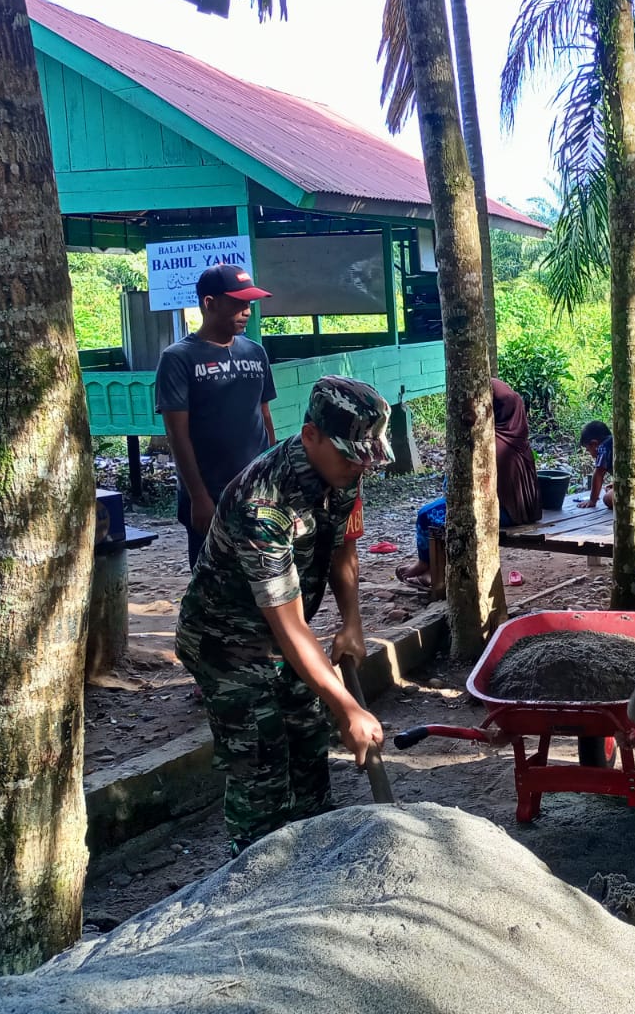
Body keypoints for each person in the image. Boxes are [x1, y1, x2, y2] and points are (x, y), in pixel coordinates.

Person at [176, 375, 390, 856]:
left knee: (307, 736)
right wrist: (349, 707)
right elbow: (288, 624)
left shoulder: (345, 471)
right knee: (262, 755)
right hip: (225, 642)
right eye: (350, 455)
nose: (359, 468)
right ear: (311, 435)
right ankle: (255, 872)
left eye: (365, 457)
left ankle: (312, 856)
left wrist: (352, 621)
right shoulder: (263, 504)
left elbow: (341, 546)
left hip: (282, 636)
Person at [157, 263, 279, 568]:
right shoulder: (178, 358)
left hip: (256, 492)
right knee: (212, 580)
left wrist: (274, 476)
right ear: (209, 303)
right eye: (238, 302)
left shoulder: (255, 353)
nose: (247, 310)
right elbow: (177, 434)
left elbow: (264, 416)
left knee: (263, 575)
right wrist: (198, 496)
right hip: (210, 494)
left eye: (249, 303)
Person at [395, 379, 541, 586]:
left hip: (502, 514)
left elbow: (454, 492)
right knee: (440, 511)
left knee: (427, 515)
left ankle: (429, 569)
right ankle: (430, 567)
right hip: (524, 511)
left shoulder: (488, 445)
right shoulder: (516, 435)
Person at [576, 419, 614, 510]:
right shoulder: (613, 442)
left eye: (588, 449)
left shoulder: (603, 448)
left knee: (607, 498)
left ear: (594, 444)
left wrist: (592, 500)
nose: (590, 454)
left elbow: (599, 473)